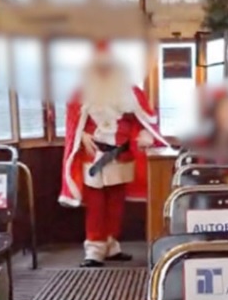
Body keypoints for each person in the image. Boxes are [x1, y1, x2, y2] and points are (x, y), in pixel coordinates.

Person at [59, 42, 163, 268]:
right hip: (94, 156)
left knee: (116, 204)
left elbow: (143, 120)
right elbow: (72, 122)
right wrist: (81, 136)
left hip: (121, 155)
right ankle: (94, 250)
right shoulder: (81, 92)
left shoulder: (130, 92)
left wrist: (144, 134)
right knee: (96, 205)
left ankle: (111, 244)